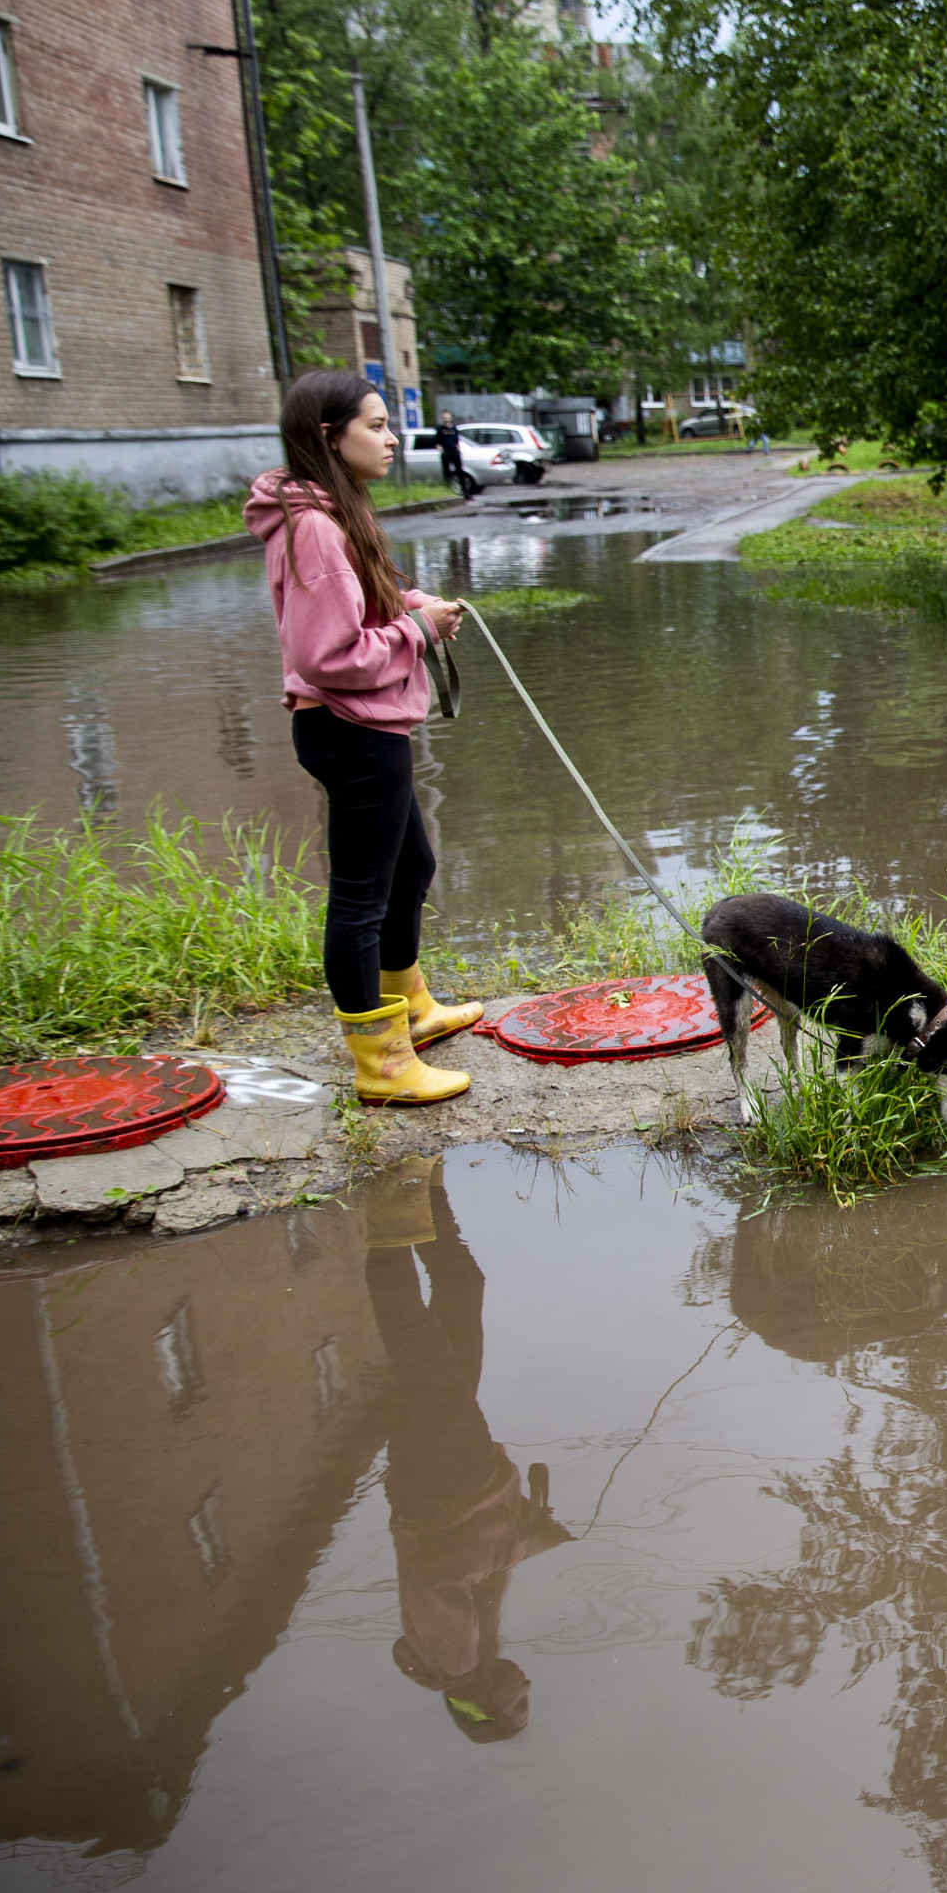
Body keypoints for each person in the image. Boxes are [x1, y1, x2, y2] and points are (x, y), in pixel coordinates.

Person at [247, 370, 481, 1106]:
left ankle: (409, 1009)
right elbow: (327, 656)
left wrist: (415, 605)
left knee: (410, 867)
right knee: (359, 900)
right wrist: (415, 631)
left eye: (388, 425)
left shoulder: (336, 509)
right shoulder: (313, 526)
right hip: (350, 731)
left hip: (369, 728)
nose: (390, 438)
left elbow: (370, 594)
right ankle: (381, 1065)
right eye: (376, 426)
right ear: (328, 436)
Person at [365, 1159, 572, 1744]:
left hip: (443, 1482)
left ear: (483, 1704)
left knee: (413, 1336)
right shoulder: (472, 1648)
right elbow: (481, 1563)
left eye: (519, 1701)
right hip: (460, 1471)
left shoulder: (455, 1660)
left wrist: (518, 1539)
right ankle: (424, 1184)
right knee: (462, 1289)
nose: (526, 1686)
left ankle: (389, 1194)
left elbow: (441, 1574)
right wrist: (532, 1536)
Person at [432, 410, 471, 498]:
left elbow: (457, 440)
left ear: (450, 418)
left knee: (460, 472)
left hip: (455, 453)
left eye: (448, 417)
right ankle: (448, 491)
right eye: (445, 417)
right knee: (447, 473)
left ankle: (465, 492)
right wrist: (439, 447)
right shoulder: (440, 429)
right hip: (446, 453)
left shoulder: (454, 429)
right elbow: (436, 440)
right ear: (442, 418)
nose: (446, 419)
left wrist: (458, 448)